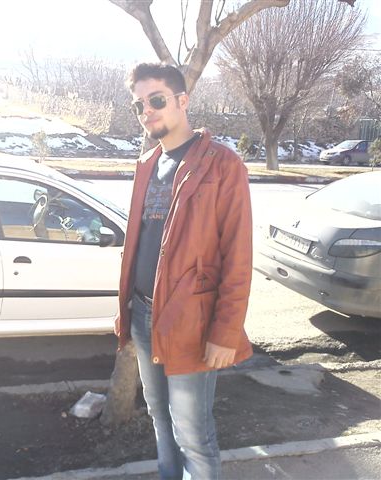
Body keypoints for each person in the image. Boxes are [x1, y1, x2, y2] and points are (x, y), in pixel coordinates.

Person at [115, 62, 254, 479]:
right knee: (160, 419)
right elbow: (138, 244)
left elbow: (238, 255)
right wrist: (125, 312)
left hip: (192, 320)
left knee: (193, 434)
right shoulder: (147, 163)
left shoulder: (222, 164)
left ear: (182, 100)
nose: (147, 111)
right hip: (143, 314)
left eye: (156, 100)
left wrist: (226, 332)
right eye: (139, 105)